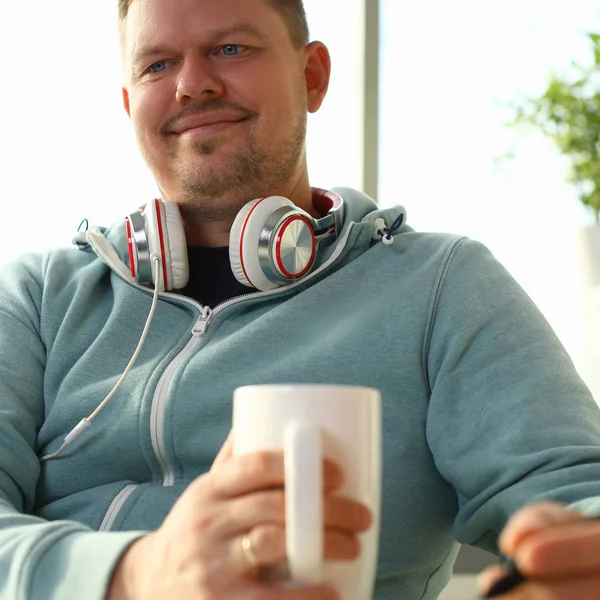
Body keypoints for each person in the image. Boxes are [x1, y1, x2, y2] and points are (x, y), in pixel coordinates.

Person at [2, 0, 600, 598]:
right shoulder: (37, 296)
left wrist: (564, 566)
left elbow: (573, 495)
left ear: (312, 76)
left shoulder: (442, 284)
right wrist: (138, 572)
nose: (191, 85)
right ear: (131, 104)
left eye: (230, 48)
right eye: (157, 65)